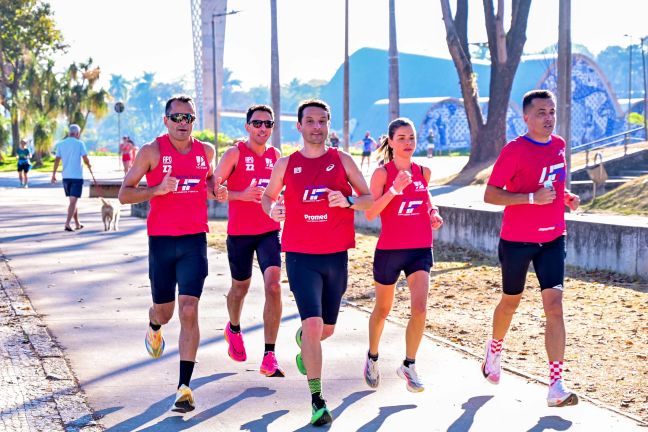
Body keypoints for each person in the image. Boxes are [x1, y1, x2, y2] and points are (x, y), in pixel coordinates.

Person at [261, 99, 372, 427]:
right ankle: (317, 399)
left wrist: (349, 200)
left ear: (328, 124)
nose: (316, 127)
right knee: (312, 326)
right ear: (299, 126)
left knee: (326, 329)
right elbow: (268, 196)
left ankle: (304, 346)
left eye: (322, 121)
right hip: (299, 255)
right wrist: (272, 209)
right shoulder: (286, 164)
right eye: (310, 121)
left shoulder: (343, 160)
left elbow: (368, 199)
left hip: (336, 256)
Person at [118, 95, 226, 413]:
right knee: (164, 312)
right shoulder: (151, 151)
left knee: (189, 309)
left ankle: (184, 387)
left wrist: (216, 189)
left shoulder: (206, 151)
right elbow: (125, 194)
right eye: (177, 117)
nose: (182, 123)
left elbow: (208, 184)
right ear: (165, 120)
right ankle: (154, 325)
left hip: (195, 241)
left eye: (188, 118)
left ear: (194, 122)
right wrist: (155, 190)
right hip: (162, 242)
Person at [482, 89, 581, 408]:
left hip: (553, 237)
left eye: (551, 111)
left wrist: (566, 197)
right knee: (511, 302)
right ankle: (495, 348)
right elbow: (491, 195)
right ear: (526, 117)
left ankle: (556, 385)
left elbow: (553, 180)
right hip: (517, 240)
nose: (548, 117)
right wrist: (529, 199)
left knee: (554, 305)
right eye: (541, 112)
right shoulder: (514, 150)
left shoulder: (560, 146)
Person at [363, 118, 443, 393]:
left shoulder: (423, 171)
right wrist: (395, 189)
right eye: (402, 138)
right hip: (389, 250)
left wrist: (432, 212)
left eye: (411, 138)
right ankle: (372, 356)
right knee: (383, 310)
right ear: (391, 141)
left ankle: (409, 364)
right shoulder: (382, 174)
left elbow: (425, 196)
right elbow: (371, 213)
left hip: (420, 248)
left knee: (420, 308)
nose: (408, 143)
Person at [212, 104, 285, 377]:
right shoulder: (234, 154)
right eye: (257, 123)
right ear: (247, 126)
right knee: (240, 288)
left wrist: (282, 201)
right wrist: (240, 194)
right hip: (240, 233)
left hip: (269, 230)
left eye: (268, 124)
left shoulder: (276, 156)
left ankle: (270, 355)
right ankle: (233, 327)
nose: (262, 128)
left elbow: (280, 189)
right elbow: (213, 189)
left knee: (274, 286)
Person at [51, 124, 96, 232]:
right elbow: (85, 158)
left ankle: (77, 223)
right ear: (77, 133)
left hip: (66, 177)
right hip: (76, 177)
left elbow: (57, 160)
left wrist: (53, 174)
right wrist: (89, 165)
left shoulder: (61, 144)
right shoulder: (80, 143)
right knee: (73, 201)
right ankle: (67, 223)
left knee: (72, 200)